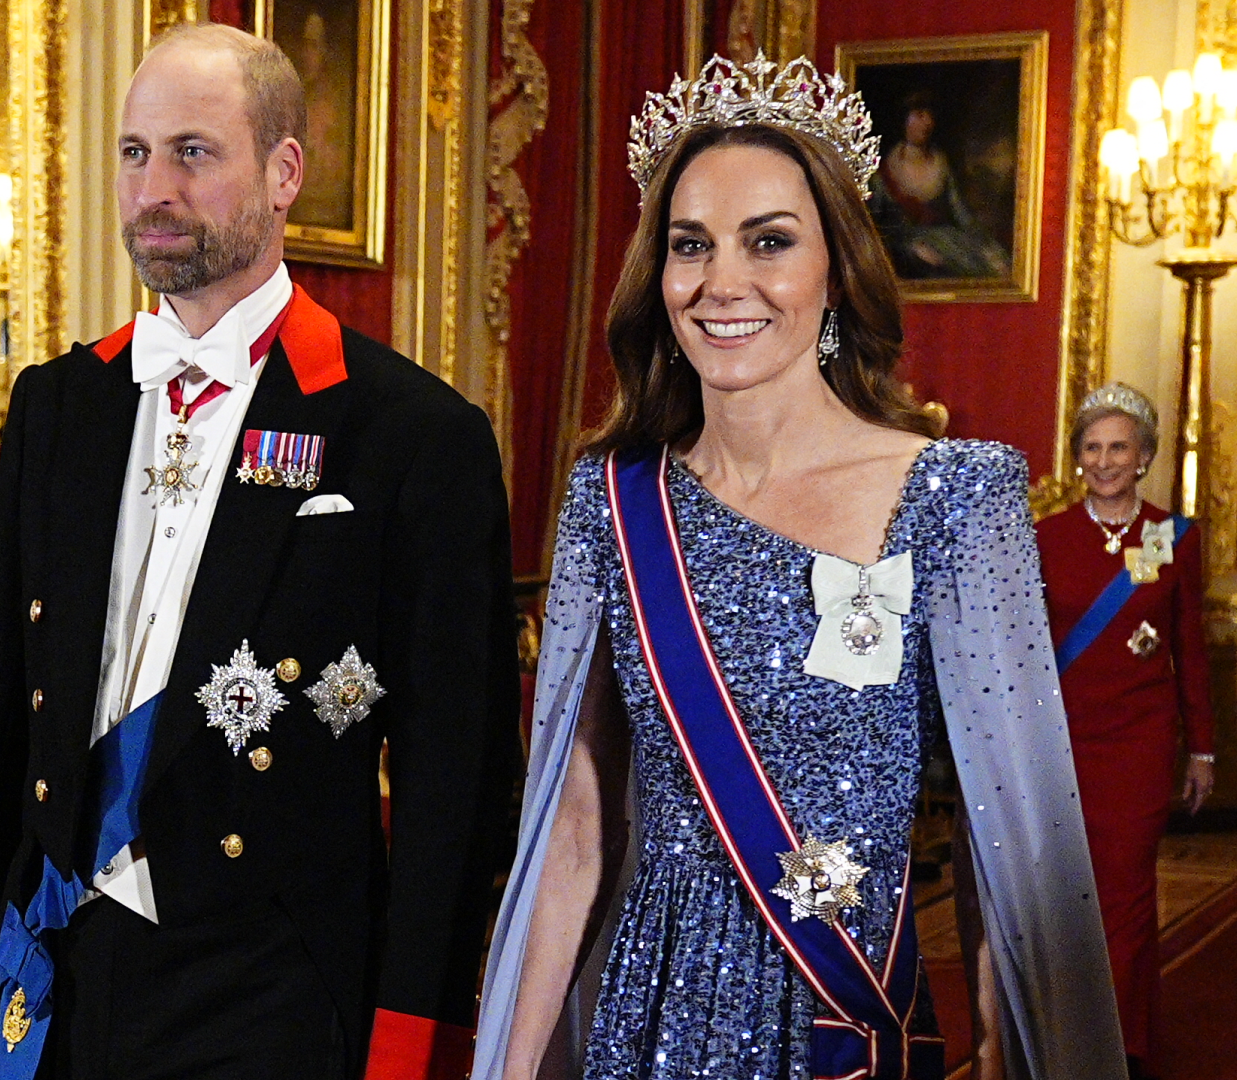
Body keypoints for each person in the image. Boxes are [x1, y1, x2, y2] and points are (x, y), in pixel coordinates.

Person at [473, 53, 1123, 1080]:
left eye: (767, 242)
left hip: (842, 1006)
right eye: (691, 246)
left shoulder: (959, 495)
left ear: (837, 268)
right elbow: (576, 826)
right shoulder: (611, 498)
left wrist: (1008, 1051)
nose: (722, 283)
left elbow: (1016, 846)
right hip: (652, 1016)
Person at [0, 24, 518, 1080]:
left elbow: (455, 780)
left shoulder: (410, 435)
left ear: (283, 174)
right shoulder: (59, 406)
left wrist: (417, 1037)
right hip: (51, 964)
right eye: (136, 153)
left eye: (193, 151)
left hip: (270, 986)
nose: (154, 189)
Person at [1034, 383, 1214, 1080]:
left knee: (1128, 891)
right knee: (1061, 892)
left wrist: (1201, 745)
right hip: (1064, 736)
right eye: (1091, 447)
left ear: (1144, 457)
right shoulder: (1044, 535)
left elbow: (1188, 646)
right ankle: (1062, 1041)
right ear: (1077, 456)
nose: (1104, 461)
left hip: (1140, 739)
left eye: (1119, 448)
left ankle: (1125, 1047)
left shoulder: (1175, 537)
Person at [867, 89, 1007, 280]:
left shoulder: (941, 164)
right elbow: (873, 226)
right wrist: (908, 247)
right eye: (920, 115)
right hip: (905, 252)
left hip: (946, 241)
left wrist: (986, 246)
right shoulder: (884, 172)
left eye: (930, 116)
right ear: (904, 120)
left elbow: (961, 214)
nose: (928, 123)